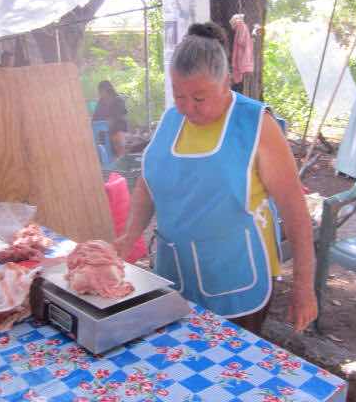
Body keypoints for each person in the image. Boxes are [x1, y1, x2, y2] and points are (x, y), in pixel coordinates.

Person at [115, 22, 317, 335]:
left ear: (226, 81)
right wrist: (129, 236)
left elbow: (294, 210)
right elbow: (147, 185)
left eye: (199, 98)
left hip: (235, 281)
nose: (187, 108)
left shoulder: (254, 124)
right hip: (175, 273)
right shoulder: (171, 120)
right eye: (179, 96)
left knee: (230, 361)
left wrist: (303, 286)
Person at [92, 80, 129, 158]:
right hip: (104, 130)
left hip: (118, 129)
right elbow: (95, 117)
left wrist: (108, 123)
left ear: (108, 90)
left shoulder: (118, 100)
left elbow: (118, 116)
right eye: (99, 91)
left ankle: (121, 158)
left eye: (101, 91)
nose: (100, 93)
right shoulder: (100, 102)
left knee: (119, 139)